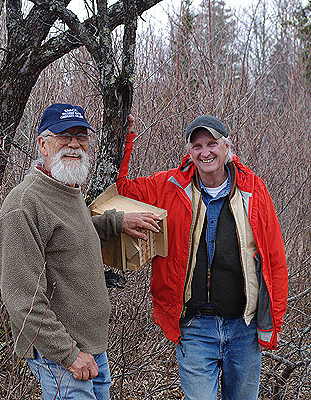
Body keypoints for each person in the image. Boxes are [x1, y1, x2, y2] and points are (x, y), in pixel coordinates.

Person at [0, 103, 161, 400]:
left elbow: (71, 239)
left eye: (81, 137)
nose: (74, 145)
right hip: (63, 356)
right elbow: (22, 301)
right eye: (64, 136)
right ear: (43, 144)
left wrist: (116, 222)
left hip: (91, 347)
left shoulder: (67, 191)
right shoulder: (24, 205)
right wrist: (68, 354)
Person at [116, 114, 288, 399]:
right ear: (189, 152)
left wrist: (271, 323)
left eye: (211, 143)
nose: (205, 152)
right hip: (194, 327)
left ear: (226, 146)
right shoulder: (170, 185)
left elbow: (274, 258)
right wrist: (124, 138)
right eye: (197, 146)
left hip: (243, 327)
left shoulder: (253, 190)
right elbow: (123, 190)